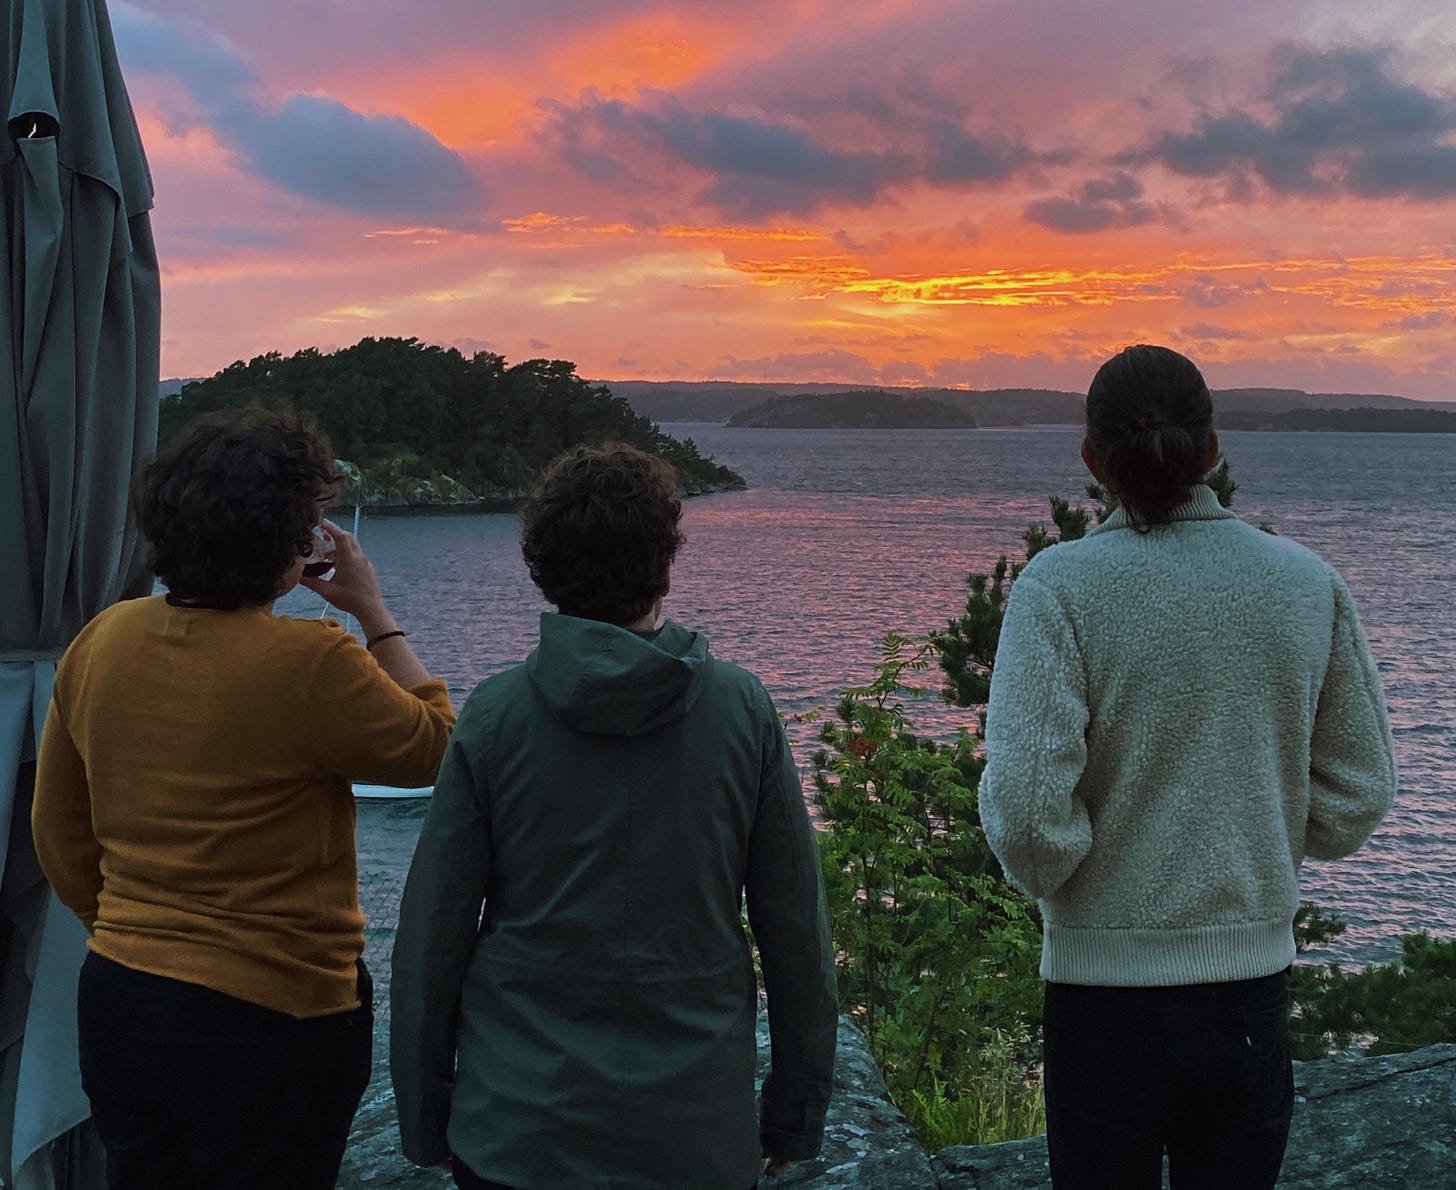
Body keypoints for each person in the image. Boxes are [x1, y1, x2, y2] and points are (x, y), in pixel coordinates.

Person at [977, 345, 1396, 1190]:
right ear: (1213, 449)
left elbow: (1027, 821)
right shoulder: (1306, 583)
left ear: (1092, 460)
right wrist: (1258, 823)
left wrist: (1079, 869)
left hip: (1101, 1002)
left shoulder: (1059, 588)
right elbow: (1359, 795)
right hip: (1250, 998)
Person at [390, 442, 837, 1190]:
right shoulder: (744, 711)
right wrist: (795, 1115)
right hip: (694, 1133)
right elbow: (797, 936)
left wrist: (426, 1119)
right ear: (664, 565)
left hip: (518, 1131)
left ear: (542, 569)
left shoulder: (495, 718)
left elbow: (433, 938)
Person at [30, 407, 457, 1190]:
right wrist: (374, 613)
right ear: (291, 544)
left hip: (125, 995)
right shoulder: (311, 663)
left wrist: (136, 933)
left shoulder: (103, 639)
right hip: (275, 1010)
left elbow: (58, 832)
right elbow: (440, 746)